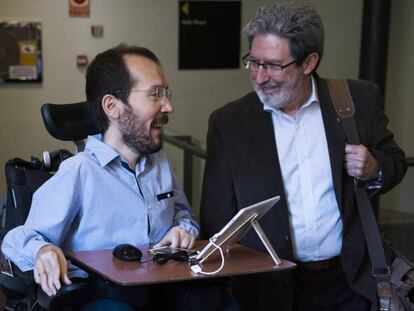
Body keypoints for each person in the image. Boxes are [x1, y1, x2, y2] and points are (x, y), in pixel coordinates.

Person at [200, 3, 407, 311]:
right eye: (253, 62)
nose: (259, 76)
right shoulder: (229, 123)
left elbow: (395, 162)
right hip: (268, 289)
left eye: (272, 65)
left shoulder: (357, 101)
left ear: (309, 62)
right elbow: (216, 217)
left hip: (350, 282)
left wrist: (374, 167)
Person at [1, 45, 201, 310]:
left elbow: (185, 217)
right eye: (156, 94)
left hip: (161, 286)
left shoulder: (160, 164)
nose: (169, 106)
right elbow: (16, 239)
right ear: (112, 106)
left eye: (166, 93)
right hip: (104, 295)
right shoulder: (80, 170)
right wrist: (43, 251)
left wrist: (183, 230)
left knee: (218, 301)